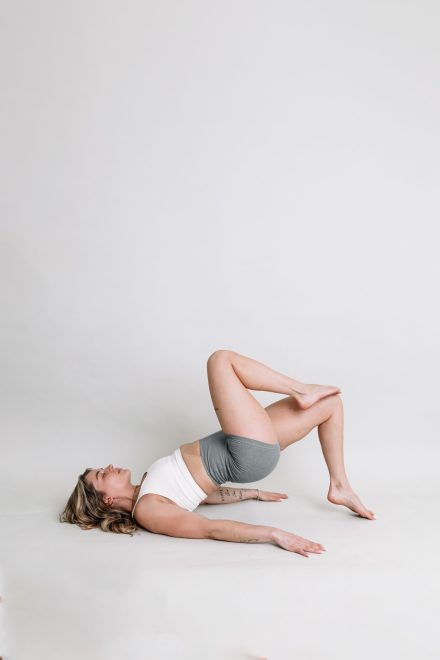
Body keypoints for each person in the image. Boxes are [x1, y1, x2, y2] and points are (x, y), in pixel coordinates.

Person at [59, 349, 375, 557]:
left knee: (331, 406)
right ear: (107, 500)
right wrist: (274, 534)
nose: (109, 466)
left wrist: (252, 494)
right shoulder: (147, 511)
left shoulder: (148, 488)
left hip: (245, 449)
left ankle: (339, 485)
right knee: (220, 361)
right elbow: (209, 529)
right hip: (245, 453)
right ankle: (301, 389)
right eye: (102, 474)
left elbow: (202, 494)